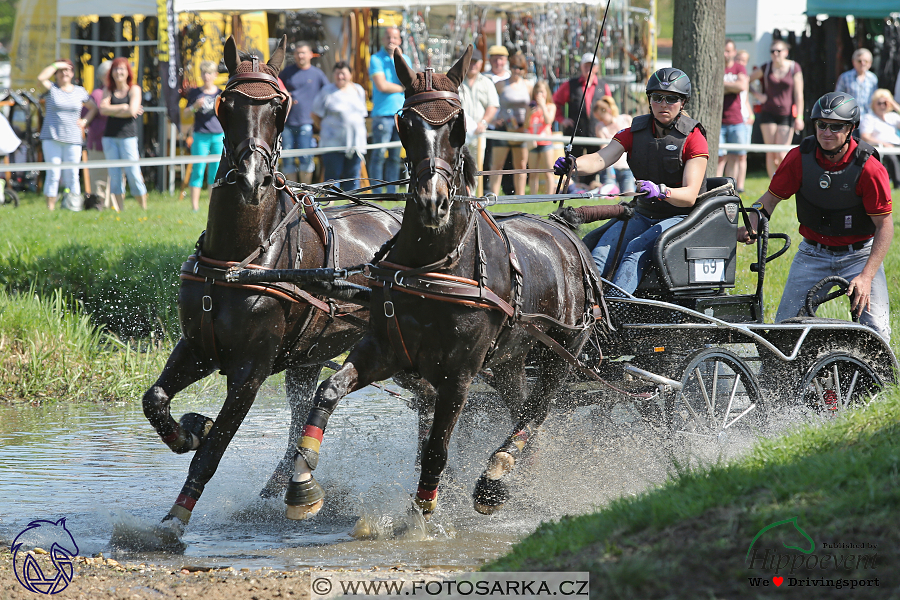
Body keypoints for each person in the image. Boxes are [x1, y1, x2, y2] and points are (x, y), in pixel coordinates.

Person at [738, 92, 893, 341]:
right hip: (812, 254)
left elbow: (885, 227)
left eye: (835, 126)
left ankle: (877, 380)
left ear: (851, 128)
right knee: (784, 332)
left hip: (859, 255)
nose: (826, 132)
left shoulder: (870, 168)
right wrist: (752, 221)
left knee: (878, 332)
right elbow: (768, 200)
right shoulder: (799, 157)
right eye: (821, 124)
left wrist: (866, 276)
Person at [553, 68, 709, 294]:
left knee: (635, 250)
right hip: (643, 213)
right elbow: (600, 158)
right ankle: (585, 308)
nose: (664, 104)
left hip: (681, 218)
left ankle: (614, 312)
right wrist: (573, 165)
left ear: (682, 103)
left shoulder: (694, 137)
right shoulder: (634, 132)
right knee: (599, 251)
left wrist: (662, 191)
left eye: (672, 98)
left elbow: (689, 196)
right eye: (657, 97)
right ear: (649, 100)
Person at [37, 59, 98, 210]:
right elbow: (41, 78)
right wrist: (57, 65)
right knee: (53, 174)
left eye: (68, 70)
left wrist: (84, 121)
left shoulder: (79, 91)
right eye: (61, 71)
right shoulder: (52, 89)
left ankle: (73, 206)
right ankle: (50, 208)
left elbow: (93, 108)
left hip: (73, 138)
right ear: (56, 74)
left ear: (72, 73)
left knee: (72, 174)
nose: (64, 73)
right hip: (52, 137)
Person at [553, 53, 612, 184]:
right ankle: (574, 188)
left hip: (596, 133)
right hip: (575, 132)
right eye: (586, 65)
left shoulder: (603, 86)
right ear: (581, 67)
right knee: (573, 164)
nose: (588, 68)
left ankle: (589, 190)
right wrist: (562, 119)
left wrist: (607, 124)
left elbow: (610, 106)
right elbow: (556, 101)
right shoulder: (570, 85)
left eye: (591, 65)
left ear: (597, 67)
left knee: (594, 163)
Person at [749, 39, 804, 177]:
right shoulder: (766, 67)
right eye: (772, 51)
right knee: (771, 151)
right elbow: (746, 80)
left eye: (778, 51)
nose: (775, 54)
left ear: (786, 52)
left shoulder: (793, 67)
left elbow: (799, 95)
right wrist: (758, 95)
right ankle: (772, 185)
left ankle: (784, 181)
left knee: (781, 153)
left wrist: (800, 117)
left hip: (786, 114)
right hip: (768, 112)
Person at [100, 57, 148, 210]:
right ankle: (120, 210)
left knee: (133, 172)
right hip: (109, 137)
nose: (118, 72)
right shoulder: (108, 90)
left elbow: (133, 111)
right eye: (115, 69)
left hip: (128, 137)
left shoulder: (134, 89)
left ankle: (143, 208)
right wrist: (123, 108)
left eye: (122, 69)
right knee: (114, 175)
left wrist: (113, 110)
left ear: (128, 72)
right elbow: (102, 109)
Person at [311, 61, 367, 191]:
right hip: (333, 143)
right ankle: (329, 206)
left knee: (353, 177)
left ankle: (353, 205)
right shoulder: (327, 91)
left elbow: (361, 116)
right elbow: (314, 114)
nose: (340, 77)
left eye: (343, 73)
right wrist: (326, 130)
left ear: (350, 74)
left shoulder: (358, 90)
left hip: (355, 143)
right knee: (332, 177)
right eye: (337, 74)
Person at [279, 41, 329, 184]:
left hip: (306, 123)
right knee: (288, 159)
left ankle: (305, 190)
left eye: (303, 53)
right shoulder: (286, 72)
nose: (300, 56)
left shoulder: (317, 74)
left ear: (310, 55)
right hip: (287, 123)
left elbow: (326, 94)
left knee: (306, 158)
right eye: (298, 53)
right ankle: (293, 191)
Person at [368, 27, 411, 193]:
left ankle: (392, 192)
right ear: (383, 39)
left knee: (394, 156)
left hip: (401, 114)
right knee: (378, 155)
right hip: (382, 114)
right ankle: (377, 192)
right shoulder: (376, 59)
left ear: (399, 40)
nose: (391, 40)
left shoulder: (405, 59)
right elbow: (382, 85)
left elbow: (409, 81)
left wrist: (397, 60)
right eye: (388, 37)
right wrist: (402, 87)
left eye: (394, 37)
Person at [490, 53, 533, 196]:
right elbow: (491, 103)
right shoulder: (501, 84)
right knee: (498, 164)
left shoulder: (528, 85)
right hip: (504, 128)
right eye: (514, 67)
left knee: (520, 165)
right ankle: (493, 195)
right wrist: (493, 120)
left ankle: (520, 196)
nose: (517, 71)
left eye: (520, 68)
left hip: (521, 128)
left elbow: (533, 106)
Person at [183, 61, 223, 212]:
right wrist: (194, 107)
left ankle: (213, 206)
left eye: (209, 73)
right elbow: (185, 114)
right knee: (198, 170)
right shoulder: (194, 93)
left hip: (218, 136)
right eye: (204, 73)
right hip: (200, 135)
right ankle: (194, 206)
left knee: (215, 172)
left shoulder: (220, 93)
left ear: (215, 75)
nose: (206, 76)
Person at [459, 49, 499, 176]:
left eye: (476, 62)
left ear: (481, 63)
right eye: (470, 62)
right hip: (458, 132)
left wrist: (483, 123)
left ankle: (473, 195)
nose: (473, 65)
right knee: (457, 167)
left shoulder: (487, 82)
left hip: (478, 131)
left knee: (475, 169)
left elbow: (493, 105)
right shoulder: (457, 82)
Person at [717, 39, 749, 194]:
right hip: (718, 121)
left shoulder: (739, 67)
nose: (726, 54)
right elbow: (713, 88)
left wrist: (721, 85)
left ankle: (730, 188)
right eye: (724, 50)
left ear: (734, 52)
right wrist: (731, 87)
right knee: (719, 158)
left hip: (736, 120)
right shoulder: (716, 67)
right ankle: (716, 188)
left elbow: (741, 86)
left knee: (735, 156)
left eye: (729, 51)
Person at [591, 95, 634, 193]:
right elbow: (604, 148)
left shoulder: (626, 119)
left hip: (627, 167)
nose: (601, 121)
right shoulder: (600, 127)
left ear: (608, 111)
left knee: (629, 195)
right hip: (610, 167)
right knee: (609, 195)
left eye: (601, 118)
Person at [859, 89, 900, 188]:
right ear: (874, 104)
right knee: (892, 158)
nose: (882, 106)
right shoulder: (869, 118)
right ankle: (897, 185)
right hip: (880, 147)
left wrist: (895, 105)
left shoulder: (893, 117)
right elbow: (865, 137)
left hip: (896, 145)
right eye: (879, 103)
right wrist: (883, 143)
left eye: (885, 103)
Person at [83, 61, 111, 204]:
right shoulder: (97, 94)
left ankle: (114, 206)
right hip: (98, 143)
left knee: (115, 177)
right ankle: (98, 205)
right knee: (99, 177)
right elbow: (85, 116)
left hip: (116, 142)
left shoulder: (122, 93)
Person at [526, 81, 556, 194]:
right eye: (537, 92)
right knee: (533, 172)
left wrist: (543, 106)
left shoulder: (550, 106)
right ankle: (533, 196)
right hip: (533, 142)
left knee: (548, 171)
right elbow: (526, 125)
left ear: (546, 93)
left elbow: (549, 121)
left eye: (542, 92)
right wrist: (529, 114)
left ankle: (549, 196)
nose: (539, 94)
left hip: (546, 142)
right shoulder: (530, 107)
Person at [835, 49, 878, 117]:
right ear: (853, 62)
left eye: (865, 61)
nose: (862, 63)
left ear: (870, 63)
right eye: (859, 61)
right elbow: (838, 98)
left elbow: (875, 99)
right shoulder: (845, 77)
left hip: (868, 117)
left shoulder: (873, 78)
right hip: (850, 116)